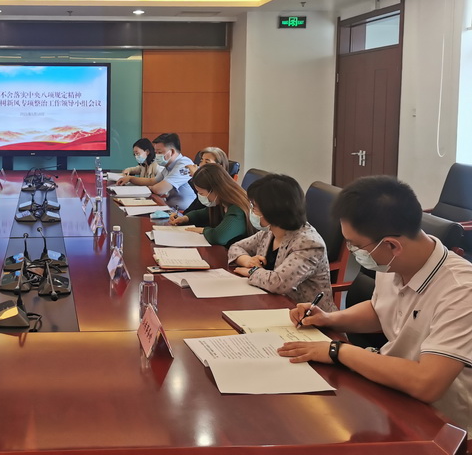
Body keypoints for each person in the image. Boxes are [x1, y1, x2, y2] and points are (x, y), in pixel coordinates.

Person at [278, 175, 472, 433]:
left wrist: (338, 351)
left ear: (392, 245)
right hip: (391, 393)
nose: (352, 251)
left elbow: (427, 383)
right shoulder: (393, 263)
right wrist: (329, 319)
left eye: (355, 245)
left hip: (443, 426)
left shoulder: (461, 290)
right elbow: (379, 310)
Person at [228, 174, 336, 308]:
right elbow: (236, 247)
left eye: (254, 207)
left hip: (306, 314)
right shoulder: (270, 232)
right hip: (270, 303)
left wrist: (252, 271)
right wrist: (247, 261)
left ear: (271, 210)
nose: (251, 211)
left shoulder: (309, 243)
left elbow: (278, 283)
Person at [169, 164, 252, 247]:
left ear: (215, 190)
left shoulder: (237, 209)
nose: (200, 196)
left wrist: (203, 230)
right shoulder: (221, 202)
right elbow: (202, 214)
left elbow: (219, 237)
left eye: (201, 193)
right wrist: (185, 218)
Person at [115, 133, 196, 209]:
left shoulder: (184, 165)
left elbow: (159, 189)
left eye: (160, 152)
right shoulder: (168, 166)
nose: (157, 156)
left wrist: (146, 188)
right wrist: (130, 179)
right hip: (170, 207)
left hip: (185, 212)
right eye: (156, 152)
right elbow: (152, 181)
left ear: (172, 152)